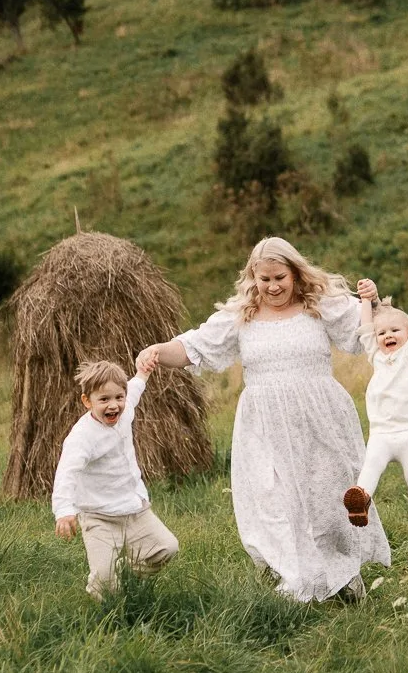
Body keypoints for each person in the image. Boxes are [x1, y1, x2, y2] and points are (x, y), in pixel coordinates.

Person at [137, 237, 389, 602]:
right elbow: (195, 347)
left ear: (295, 274)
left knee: (328, 500)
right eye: (264, 279)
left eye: (280, 278)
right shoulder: (241, 316)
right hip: (265, 425)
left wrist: (373, 302)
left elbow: (367, 334)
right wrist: (158, 351)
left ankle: (343, 576)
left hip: (320, 419)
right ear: (252, 277)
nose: (272, 287)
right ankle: (299, 580)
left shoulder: (319, 306)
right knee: (275, 502)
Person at [52, 355, 180, 598]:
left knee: (166, 548)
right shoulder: (82, 437)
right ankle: (104, 596)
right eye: (104, 399)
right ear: (87, 402)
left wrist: (144, 373)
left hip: (133, 508)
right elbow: (67, 472)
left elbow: (135, 388)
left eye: (118, 397)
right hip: (99, 516)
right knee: (106, 586)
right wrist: (64, 510)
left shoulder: (125, 409)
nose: (113, 405)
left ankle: (127, 573)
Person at [343, 283, 408, 547]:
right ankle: (360, 502)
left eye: (394, 330)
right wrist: (366, 299)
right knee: (370, 469)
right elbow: (366, 328)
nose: (386, 335)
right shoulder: (377, 356)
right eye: (382, 333)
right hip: (381, 433)